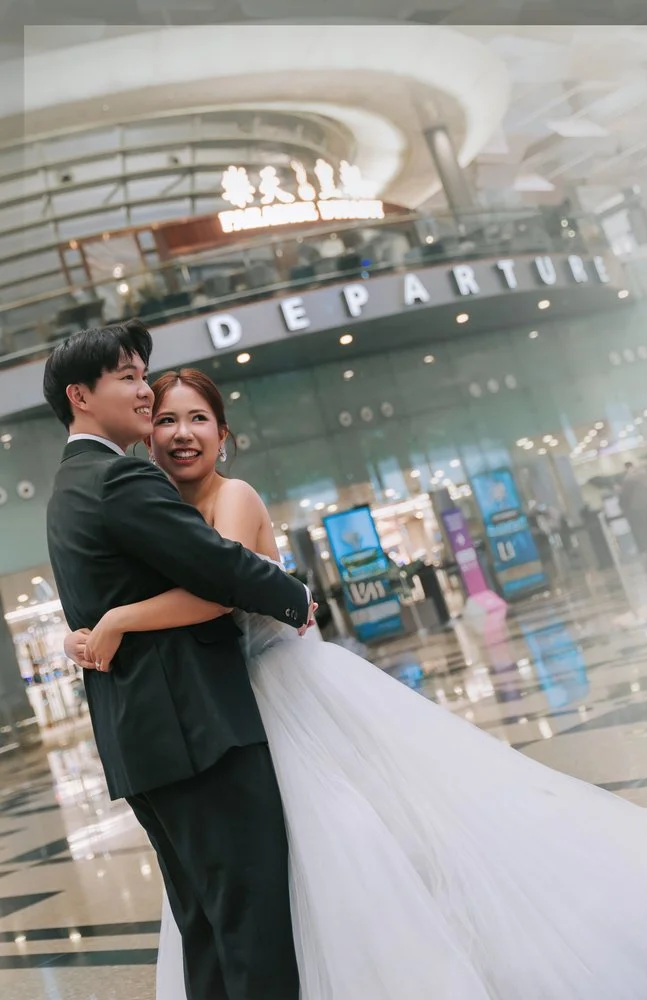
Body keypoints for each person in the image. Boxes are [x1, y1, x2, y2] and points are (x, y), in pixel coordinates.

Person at [59, 356, 646, 998]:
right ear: (148, 436)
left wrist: (117, 620)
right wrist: (85, 629)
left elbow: (220, 588)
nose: (182, 434)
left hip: (284, 688)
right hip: (221, 704)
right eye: (167, 420)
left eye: (199, 419)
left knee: (346, 837)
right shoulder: (152, 508)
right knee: (264, 870)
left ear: (224, 435)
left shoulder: (234, 496)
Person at [43, 323, 315, 1000]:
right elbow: (219, 568)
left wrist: (101, 627)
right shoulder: (119, 474)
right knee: (252, 928)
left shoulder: (67, 487)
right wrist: (294, 594)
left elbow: (103, 600)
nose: (143, 391)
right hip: (200, 735)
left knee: (210, 927)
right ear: (81, 395)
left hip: (145, 744)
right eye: (130, 378)